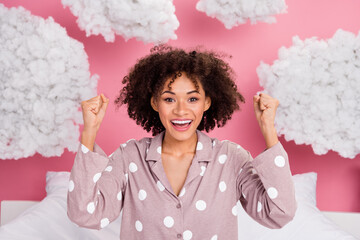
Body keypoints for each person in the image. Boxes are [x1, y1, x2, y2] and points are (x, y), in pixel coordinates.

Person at [67, 45, 297, 239]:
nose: (181, 110)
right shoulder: (130, 157)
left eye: (192, 98)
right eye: (169, 99)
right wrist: (90, 131)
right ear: (155, 103)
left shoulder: (231, 159)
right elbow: (85, 214)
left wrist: (268, 129)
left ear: (207, 102)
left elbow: (278, 213)